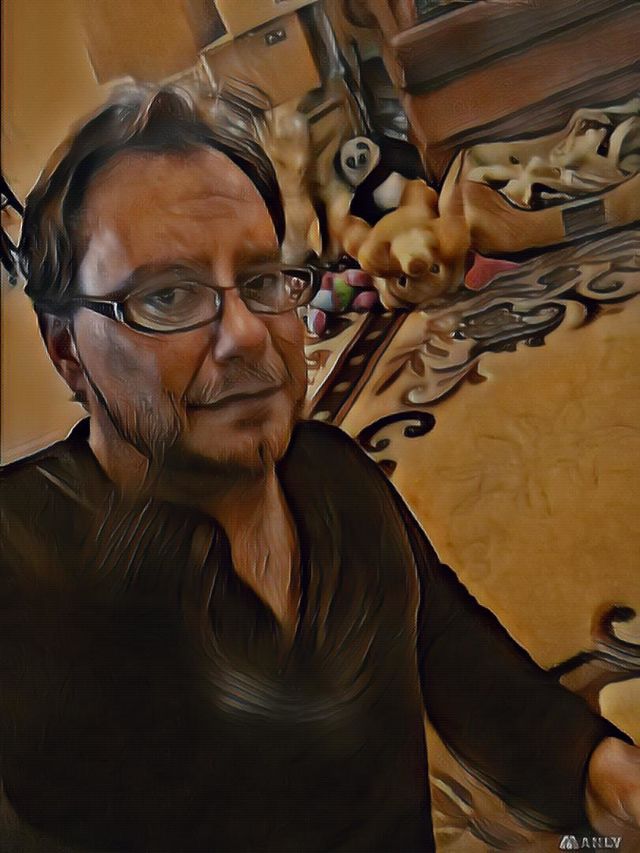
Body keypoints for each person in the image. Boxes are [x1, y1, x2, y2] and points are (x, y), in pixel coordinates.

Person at [1, 86, 638, 853]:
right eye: (168, 295)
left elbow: (441, 639)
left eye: (262, 279)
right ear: (67, 351)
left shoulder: (335, 475)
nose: (247, 336)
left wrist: (595, 770)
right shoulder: (19, 575)